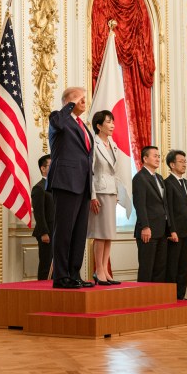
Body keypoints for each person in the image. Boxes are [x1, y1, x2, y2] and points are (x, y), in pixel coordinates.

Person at [47, 88, 95, 290]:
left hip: (83, 185)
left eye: (84, 97)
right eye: (79, 97)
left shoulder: (82, 125)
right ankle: (61, 276)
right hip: (65, 182)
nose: (84, 100)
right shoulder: (59, 118)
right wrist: (70, 104)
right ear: (68, 101)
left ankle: (74, 273)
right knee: (64, 231)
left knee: (78, 232)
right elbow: (58, 122)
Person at [89, 110, 130, 284]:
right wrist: (92, 196)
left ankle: (105, 269)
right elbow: (89, 172)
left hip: (111, 192)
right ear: (99, 126)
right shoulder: (94, 143)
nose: (112, 125)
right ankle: (98, 270)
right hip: (99, 191)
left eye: (113, 121)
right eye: (108, 122)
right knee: (100, 233)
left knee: (109, 234)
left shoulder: (112, 144)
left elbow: (116, 172)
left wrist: (119, 193)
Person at [132, 146, 169, 282]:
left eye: (159, 156)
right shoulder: (140, 178)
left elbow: (164, 205)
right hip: (148, 230)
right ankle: (143, 299)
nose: (158, 159)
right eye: (154, 156)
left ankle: (157, 298)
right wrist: (145, 227)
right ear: (145, 158)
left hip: (162, 229)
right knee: (147, 267)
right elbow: (140, 205)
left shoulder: (159, 178)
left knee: (160, 267)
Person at [163, 150, 187, 298]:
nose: (184, 164)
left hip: (186, 230)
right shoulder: (167, 183)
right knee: (172, 266)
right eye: (181, 161)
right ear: (172, 164)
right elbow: (168, 209)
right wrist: (172, 230)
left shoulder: (186, 182)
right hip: (175, 232)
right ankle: (171, 295)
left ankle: (181, 295)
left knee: (183, 266)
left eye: (185, 161)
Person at [30, 155, 56, 282]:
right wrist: (44, 232)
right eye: (51, 165)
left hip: (57, 232)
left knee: (57, 266)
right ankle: (42, 289)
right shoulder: (39, 188)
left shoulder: (56, 186)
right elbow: (39, 214)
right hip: (46, 233)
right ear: (43, 168)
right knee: (46, 265)